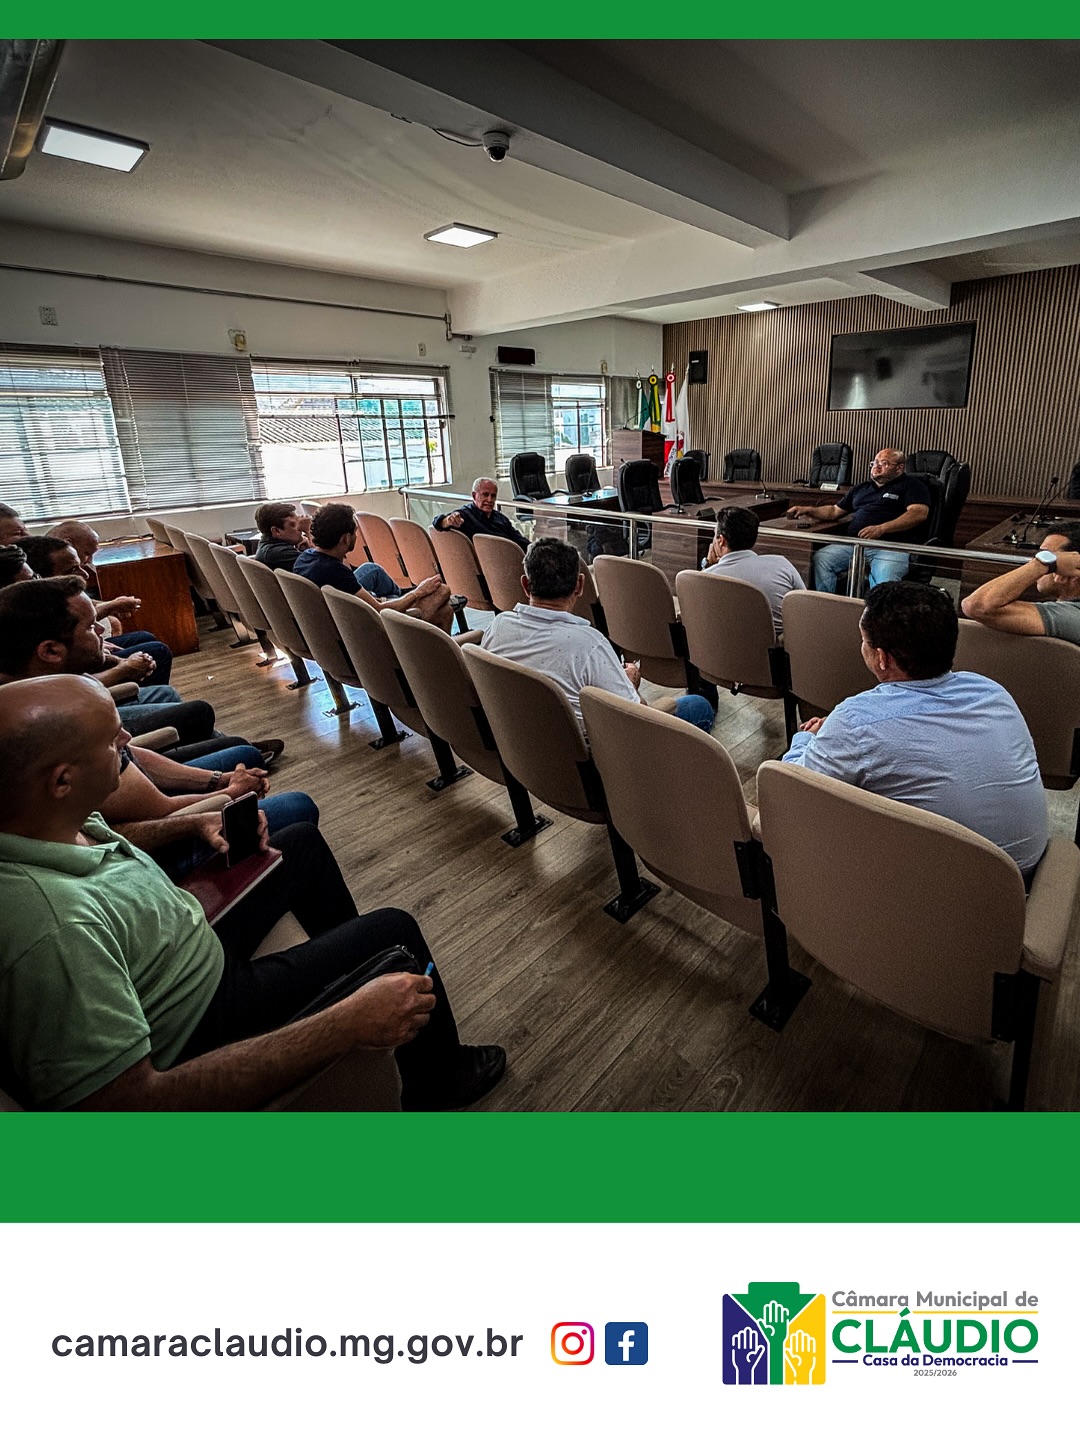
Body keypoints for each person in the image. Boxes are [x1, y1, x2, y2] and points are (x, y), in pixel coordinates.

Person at [0, 675, 506, 1111]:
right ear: (62, 780)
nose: (127, 739)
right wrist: (344, 1023)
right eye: (112, 742)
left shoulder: (51, 820)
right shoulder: (53, 929)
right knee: (394, 929)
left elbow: (122, 842)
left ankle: (350, 969)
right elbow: (129, 1104)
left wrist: (194, 823)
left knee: (299, 843)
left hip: (184, 939)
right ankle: (438, 1080)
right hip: (204, 1013)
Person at [782, 581, 1047, 879]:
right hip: (1027, 876)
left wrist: (806, 738)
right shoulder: (992, 691)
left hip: (944, 890)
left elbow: (792, 793)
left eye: (864, 641)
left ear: (882, 658)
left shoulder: (855, 721)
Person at [480, 536, 716, 731]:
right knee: (698, 706)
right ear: (580, 585)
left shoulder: (498, 626)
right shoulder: (590, 644)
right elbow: (638, 715)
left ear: (525, 584)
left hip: (521, 743)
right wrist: (631, 683)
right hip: (595, 755)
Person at [0, 576, 215, 744]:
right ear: (50, 651)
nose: (101, 630)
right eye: (91, 627)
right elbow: (128, 766)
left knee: (168, 694)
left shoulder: (37, 681)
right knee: (199, 714)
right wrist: (215, 781)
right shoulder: (46, 721)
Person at [101, 731, 317, 879]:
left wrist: (218, 779)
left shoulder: (96, 749)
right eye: (111, 738)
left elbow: (130, 753)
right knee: (299, 807)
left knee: (247, 754)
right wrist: (230, 794)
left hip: (149, 811)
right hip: (151, 857)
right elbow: (162, 811)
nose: (127, 736)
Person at [20, 535, 173, 682]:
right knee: (158, 651)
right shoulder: (33, 614)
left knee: (145, 637)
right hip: (77, 683)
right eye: (72, 570)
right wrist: (122, 667)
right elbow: (68, 682)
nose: (85, 574)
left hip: (79, 670)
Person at [294, 503, 458, 631]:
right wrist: (419, 592)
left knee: (444, 611)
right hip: (371, 631)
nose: (357, 536)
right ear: (345, 538)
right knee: (442, 592)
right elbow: (378, 610)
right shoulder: (336, 572)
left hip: (337, 628)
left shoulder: (304, 558)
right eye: (355, 532)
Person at [788, 449, 931, 593]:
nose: (876, 467)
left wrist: (882, 528)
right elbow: (834, 511)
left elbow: (918, 514)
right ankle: (827, 602)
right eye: (874, 463)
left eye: (884, 463)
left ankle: (874, 608)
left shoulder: (913, 486)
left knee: (884, 581)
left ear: (899, 468)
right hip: (855, 545)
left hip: (891, 547)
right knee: (822, 558)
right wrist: (809, 510)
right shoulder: (861, 488)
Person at [961, 521, 1080, 641]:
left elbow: (977, 606)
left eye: (1044, 555)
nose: (1033, 561)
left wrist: (1041, 565)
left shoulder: (1072, 617)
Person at [702, 506, 805, 634]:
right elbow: (805, 607)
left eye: (714, 535)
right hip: (776, 645)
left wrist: (708, 566)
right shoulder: (782, 564)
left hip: (721, 644)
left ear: (721, 541)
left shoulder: (706, 578)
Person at [434, 477, 529, 551]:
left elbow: (521, 542)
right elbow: (437, 523)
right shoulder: (465, 516)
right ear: (474, 496)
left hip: (508, 559)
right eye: (485, 495)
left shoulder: (501, 519)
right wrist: (447, 521)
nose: (490, 500)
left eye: (493, 496)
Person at [253, 501, 314, 572]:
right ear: (276, 531)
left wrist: (304, 548)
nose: (300, 528)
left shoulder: (267, 546)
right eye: (293, 524)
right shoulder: (279, 553)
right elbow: (320, 566)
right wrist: (309, 530)